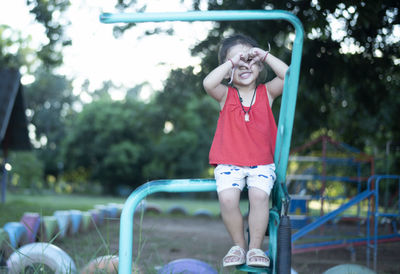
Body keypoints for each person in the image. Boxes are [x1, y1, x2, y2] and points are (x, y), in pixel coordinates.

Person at [203, 34, 289, 268]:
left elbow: (288, 75)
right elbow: (208, 83)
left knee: (260, 196)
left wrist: (265, 55)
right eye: (237, 63)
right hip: (229, 161)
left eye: (250, 60)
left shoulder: (267, 92)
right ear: (228, 70)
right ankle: (239, 245)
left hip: (261, 162)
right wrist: (232, 62)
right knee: (228, 198)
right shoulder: (225, 95)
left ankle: (255, 248)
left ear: (259, 65)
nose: (244, 66)